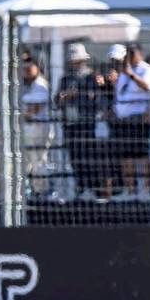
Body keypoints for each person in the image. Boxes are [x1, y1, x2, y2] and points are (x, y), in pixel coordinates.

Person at [57, 43, 107, 202]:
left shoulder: (92, 77)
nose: (75, 63)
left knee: (88, 157)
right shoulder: (65, 78)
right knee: (75, 157)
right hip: (70, 123)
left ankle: (91, 189)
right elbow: (57, 99)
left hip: (87, 123)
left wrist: (82, 97)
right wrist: (65, 96)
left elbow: (98, 99)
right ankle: (80, 188)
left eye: (78, 60)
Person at [111, 44, 150, 201]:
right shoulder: (124, 71)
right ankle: (130, 191)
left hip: (139, 119)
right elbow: (120, 93)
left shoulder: (146, 70)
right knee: (126, 156)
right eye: (127, 54)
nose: (129, 57)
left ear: (140, 54)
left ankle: (145, 190)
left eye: (132, 53)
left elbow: (148, 87)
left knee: (141, 155)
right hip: (123, 120)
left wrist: (131, 75)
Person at [20, 61, 52, 198]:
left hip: (37, 130)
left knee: (38, 161)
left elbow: (35, 108)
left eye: (30, 67)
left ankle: (40, 192)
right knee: (22, 162)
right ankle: (21, 192)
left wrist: (18, 115)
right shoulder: (15, 85)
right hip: (13, 131)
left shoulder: (40, 85)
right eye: (24, 67)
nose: (26, 70)